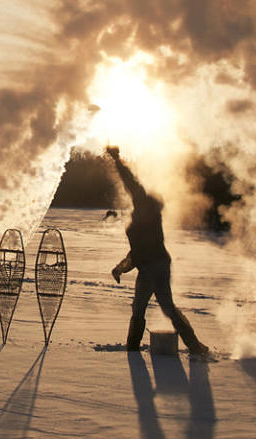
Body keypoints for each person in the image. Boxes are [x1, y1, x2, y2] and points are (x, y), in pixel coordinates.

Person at [106, 145, 209, 355]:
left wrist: (117, 159)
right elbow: (135, 253)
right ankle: (133, 349)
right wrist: (120, 269)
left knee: (167, 307)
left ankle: (196, 347)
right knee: (139, 309)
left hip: (157, 266)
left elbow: (131, 183)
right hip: (146, 267)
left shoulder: (147, 210)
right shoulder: (141, 217)